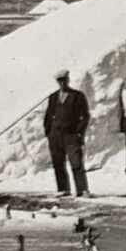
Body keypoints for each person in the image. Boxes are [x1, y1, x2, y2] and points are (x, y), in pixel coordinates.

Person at [42, 69, 91, 197]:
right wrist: (48, 132)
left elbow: (85, 116)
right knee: (58, 163)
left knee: (76, 163)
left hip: (71, 135)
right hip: (55, 136)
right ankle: (63, 189)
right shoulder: (53, 97)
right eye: (59, 81)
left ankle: (82, 190)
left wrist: (79, 132)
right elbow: (48, 116)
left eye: (64, 80)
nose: (62, 83)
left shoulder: (78, 96)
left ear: (68, 80)